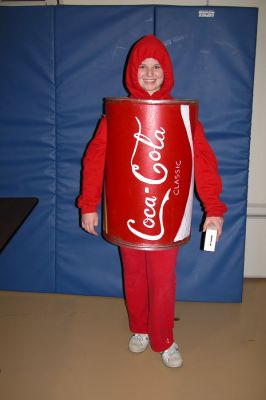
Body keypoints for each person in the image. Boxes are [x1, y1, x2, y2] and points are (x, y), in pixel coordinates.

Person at [77, 35, 227, 368]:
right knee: (132, 274)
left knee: (162, 279)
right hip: (128, 213)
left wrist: (213, 209)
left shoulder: (182, 115)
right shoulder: (115, 114)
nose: (149, 73)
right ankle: (140, 329)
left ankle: (164, 339)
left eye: (156, 67)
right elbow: (95, 158)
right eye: (142, 66)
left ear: (166, 71)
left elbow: (202, 160)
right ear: (132, 71)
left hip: (167, 214)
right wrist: (89, 204)